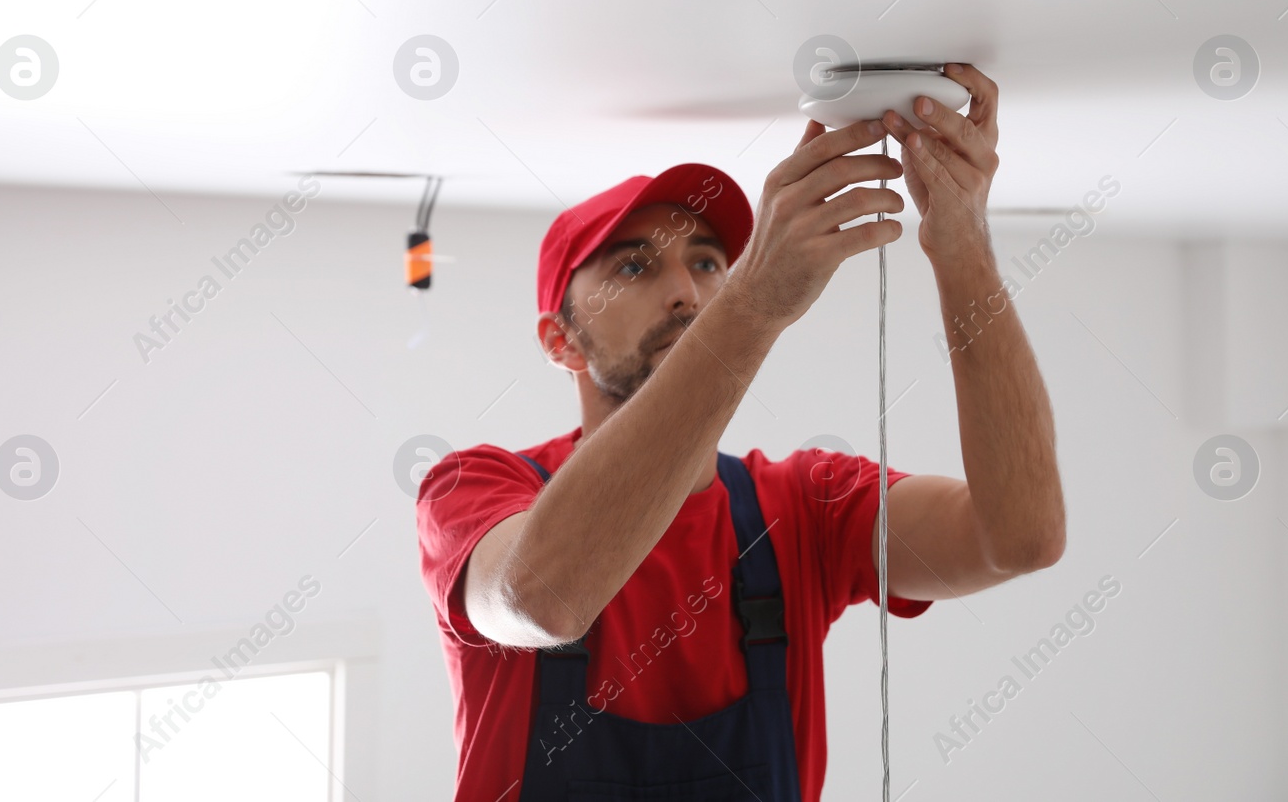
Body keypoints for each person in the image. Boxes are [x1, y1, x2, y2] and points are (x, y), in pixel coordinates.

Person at [416, 64, 1065, 801]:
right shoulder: (475, 489)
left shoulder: (806, 505)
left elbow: (1019, 537)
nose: (686, 291)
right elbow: (544, 599)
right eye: (635, 265)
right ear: (559, 340)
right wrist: (752, 302)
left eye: (707, 263)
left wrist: (962, 244)